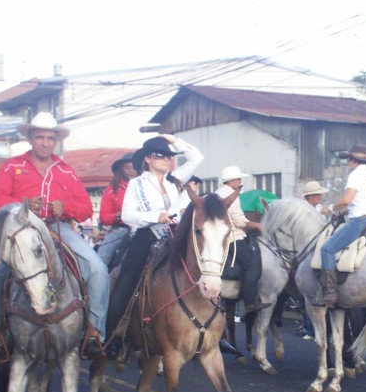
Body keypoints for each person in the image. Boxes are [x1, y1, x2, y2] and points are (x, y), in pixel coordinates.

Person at [0, 112, 109, 362]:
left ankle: (94, 332)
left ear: (56, 141)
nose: (45, 143)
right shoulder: (12, 166)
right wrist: (23, 204)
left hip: (58, 228)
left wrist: (65, 207)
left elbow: (84, 208)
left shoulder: (66, 171)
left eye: (50, 138)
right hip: (21, 229)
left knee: (98, 268)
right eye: (40, 137)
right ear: (30, 138)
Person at [104, 134, 203, 352]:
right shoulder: (136, 184)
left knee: (202, 269)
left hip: (174, 236)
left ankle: (213, 331)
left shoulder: (174, 179)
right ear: (147, 159)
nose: (166, 159)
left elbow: (196, 157)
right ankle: (113, 335)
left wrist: (173, 140)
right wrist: (155, 216)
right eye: (160, 155)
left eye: (169, 156)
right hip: (146, 237)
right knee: (126, 281)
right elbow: (128, 216)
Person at [314, 144, 366, 306]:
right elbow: (364, 202)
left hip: (362, 222)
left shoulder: (356, 175)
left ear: (353, 160)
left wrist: (328, 208)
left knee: (327, 249)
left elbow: (346, 200)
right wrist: (344, 212)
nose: (348, 163)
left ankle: (330, 293)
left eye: (348, 160)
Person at [216, 165, 263, 313]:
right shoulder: (232, 195)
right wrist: (257, 225)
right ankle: (250, 302)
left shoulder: (217, 193)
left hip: (219, 237)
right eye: (239, 179)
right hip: (232, 237)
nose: (240, 182)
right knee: (251, 263)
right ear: (232, 181)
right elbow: (239, 221)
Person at [96, 154, 136, 268]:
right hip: (120, 230)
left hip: (143, 228)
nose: (131, 171)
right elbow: (104, 217)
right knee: (100, 261)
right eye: (127, 168)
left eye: (134, 168)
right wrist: (118, 215)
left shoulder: (146, 188)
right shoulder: (111, 191)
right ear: (121, 170)